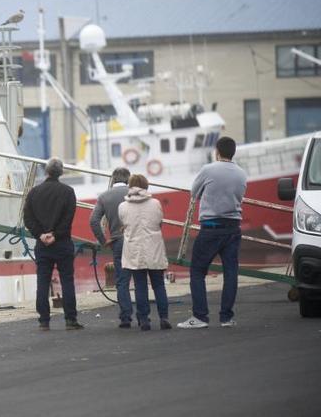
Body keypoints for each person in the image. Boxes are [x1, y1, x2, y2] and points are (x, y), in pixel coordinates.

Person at [178, 136, 247, 329]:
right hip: (233, 227)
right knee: (231, 272)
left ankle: (200, 317)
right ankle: (226, 318)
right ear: (233, 152)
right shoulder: (242, 174)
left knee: (198, 271)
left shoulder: (208, 170)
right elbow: (240, 196)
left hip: (211, 227)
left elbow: (194, 193)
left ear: (217, 151)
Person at [23, 157, 83, 331]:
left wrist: (40, 235)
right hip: (62, 243)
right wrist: (55, 235)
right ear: (61, 172)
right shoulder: (68, 192)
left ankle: (44, 321)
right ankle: (70, 320)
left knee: (43, 281)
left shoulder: (34, 192)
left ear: (46, 172)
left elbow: (28, 218)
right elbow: (68, 219)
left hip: (42, 245)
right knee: (67, 280)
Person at [118, 174, 171, 331]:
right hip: (154, 248)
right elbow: (159, 222)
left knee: (140, 286)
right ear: (146, 185)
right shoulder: (155, 203)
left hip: (135, 250)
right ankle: (164, 317)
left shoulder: (123, 206)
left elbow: (124, 223)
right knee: (159, 285)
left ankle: (144, 320)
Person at [89, 167, 134, 328]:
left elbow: (94, 221)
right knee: (140, 279)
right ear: (128, 179)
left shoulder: (104, 196)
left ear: (113, 179)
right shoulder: (135, 192)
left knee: (122, 281)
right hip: (138, 240)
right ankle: (144, 318)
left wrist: (103, 240)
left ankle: (126, 318)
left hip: (118, 242)